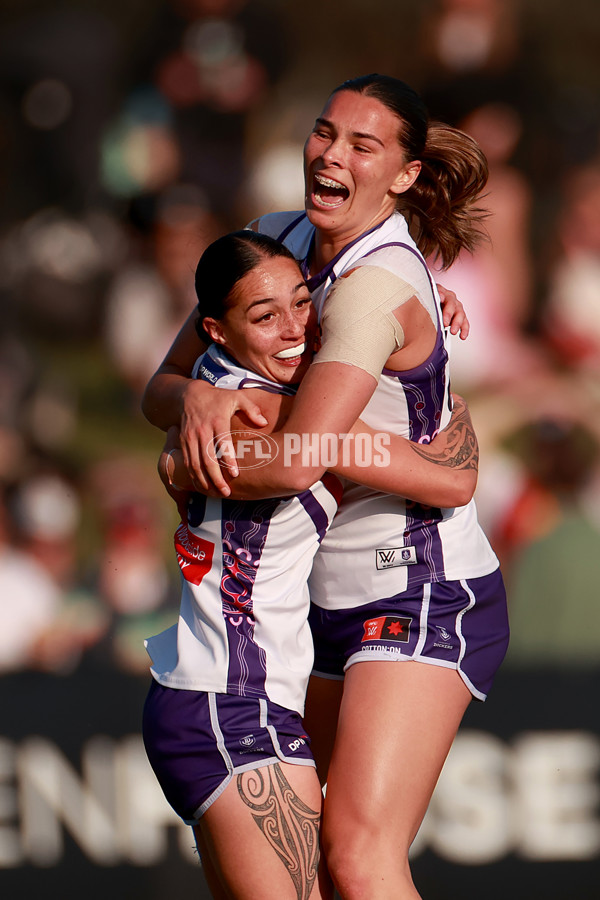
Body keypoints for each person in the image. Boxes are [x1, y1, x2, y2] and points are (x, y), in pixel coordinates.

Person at [142, 74, 509, 899]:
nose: (330, 155)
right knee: (318, 874)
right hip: (317, 604)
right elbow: (157, 387)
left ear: (405, 177)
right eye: (323, 132)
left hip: (418, 586)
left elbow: (301, 455)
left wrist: (184, 462)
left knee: (359, 856)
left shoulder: (379, 283)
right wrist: (197, 396)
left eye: (362, 145)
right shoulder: (275, 241)